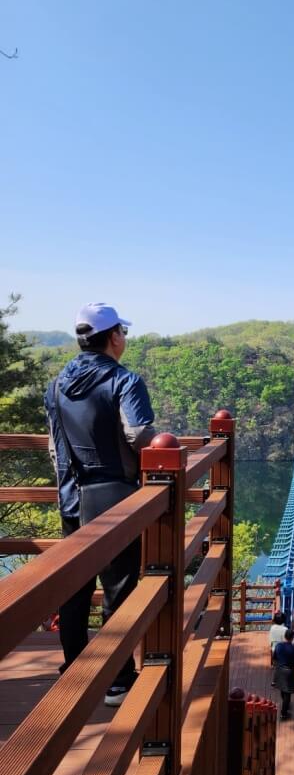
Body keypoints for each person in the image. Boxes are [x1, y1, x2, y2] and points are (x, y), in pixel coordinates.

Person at [44, 303, 156, 707]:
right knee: (119, 589)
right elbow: (139, 435)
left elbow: (55, 448)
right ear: (113, 337)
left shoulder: (57, 384)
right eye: (122, 331)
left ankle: (74, 670)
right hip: (116, 500)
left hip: (73, 497)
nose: (124, 337)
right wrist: (165, 449)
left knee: (75, 584)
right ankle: (116, 680)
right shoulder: (124, 380)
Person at [272, 628, 294, 720]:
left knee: (282, 689)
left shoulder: (278, 646)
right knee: (287, 693)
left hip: (279, 670)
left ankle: (285, 705)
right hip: (289, 672)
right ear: (292, 638)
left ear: (284, 636)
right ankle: (283, 713)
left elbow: (274, 658)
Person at [269, 611, 287, 680]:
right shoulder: (285, 629)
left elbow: (270, 640)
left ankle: (273, 665)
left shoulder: (272, 628)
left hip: (274, 649)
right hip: (283, 651)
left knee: (277, 666)